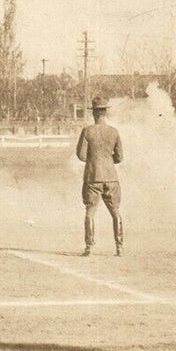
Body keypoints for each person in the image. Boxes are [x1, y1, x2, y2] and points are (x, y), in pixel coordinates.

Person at [76, 96, 124, 256]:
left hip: (92, 177)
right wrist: (107, 160)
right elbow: (119, 157)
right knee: (115, 211)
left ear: (94, 113)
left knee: (90, 212)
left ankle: (89, 247)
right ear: (105, 113)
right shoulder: (114, 131)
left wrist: (94, 159)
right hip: (111, 177)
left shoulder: (87, 131)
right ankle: (119, 246)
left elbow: (81, 155)